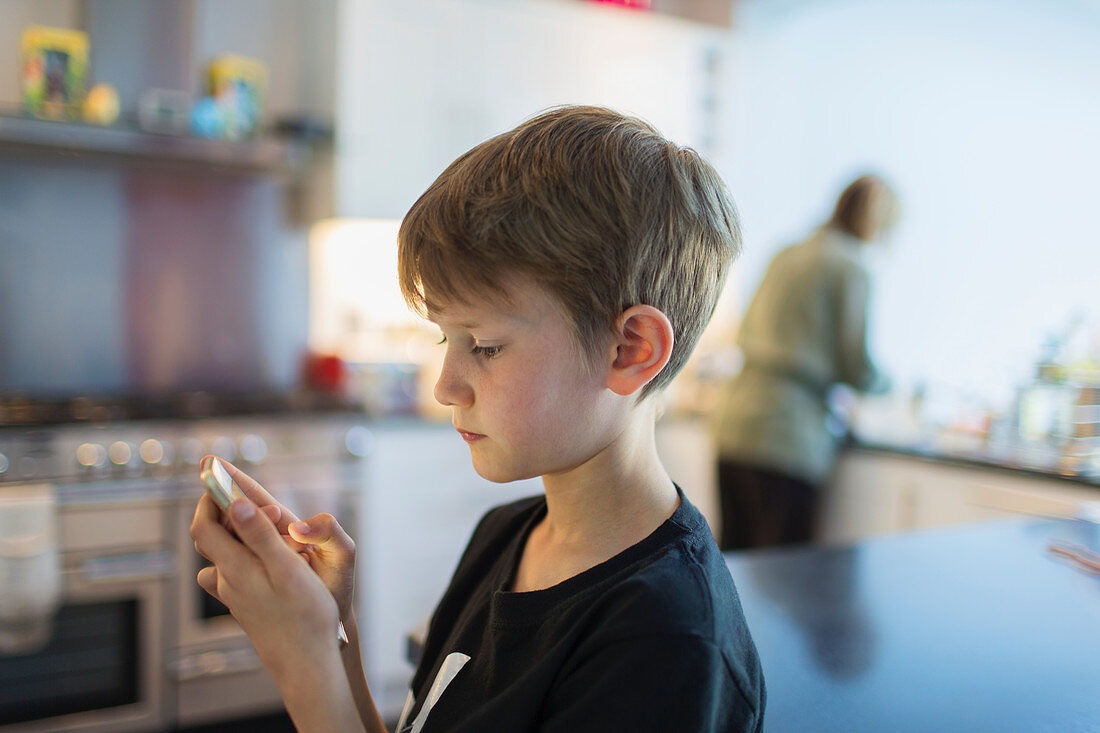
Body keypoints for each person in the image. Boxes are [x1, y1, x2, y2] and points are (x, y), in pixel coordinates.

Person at [191, 105, 766, 732]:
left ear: (630, 350)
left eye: (485, 346)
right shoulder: (508, 534)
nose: (445, 387)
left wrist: (301, 662)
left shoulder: (663, 644)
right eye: (446, 341)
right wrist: (331, 628)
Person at [712, 175, 897, 551]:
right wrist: (891, 385)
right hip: (787, 437)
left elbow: (746, 327)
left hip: (734, 423)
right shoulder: (850, 266)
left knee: (733, 567)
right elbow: (856, 366)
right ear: (877, 218)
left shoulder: (787, 253)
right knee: (786, 582)